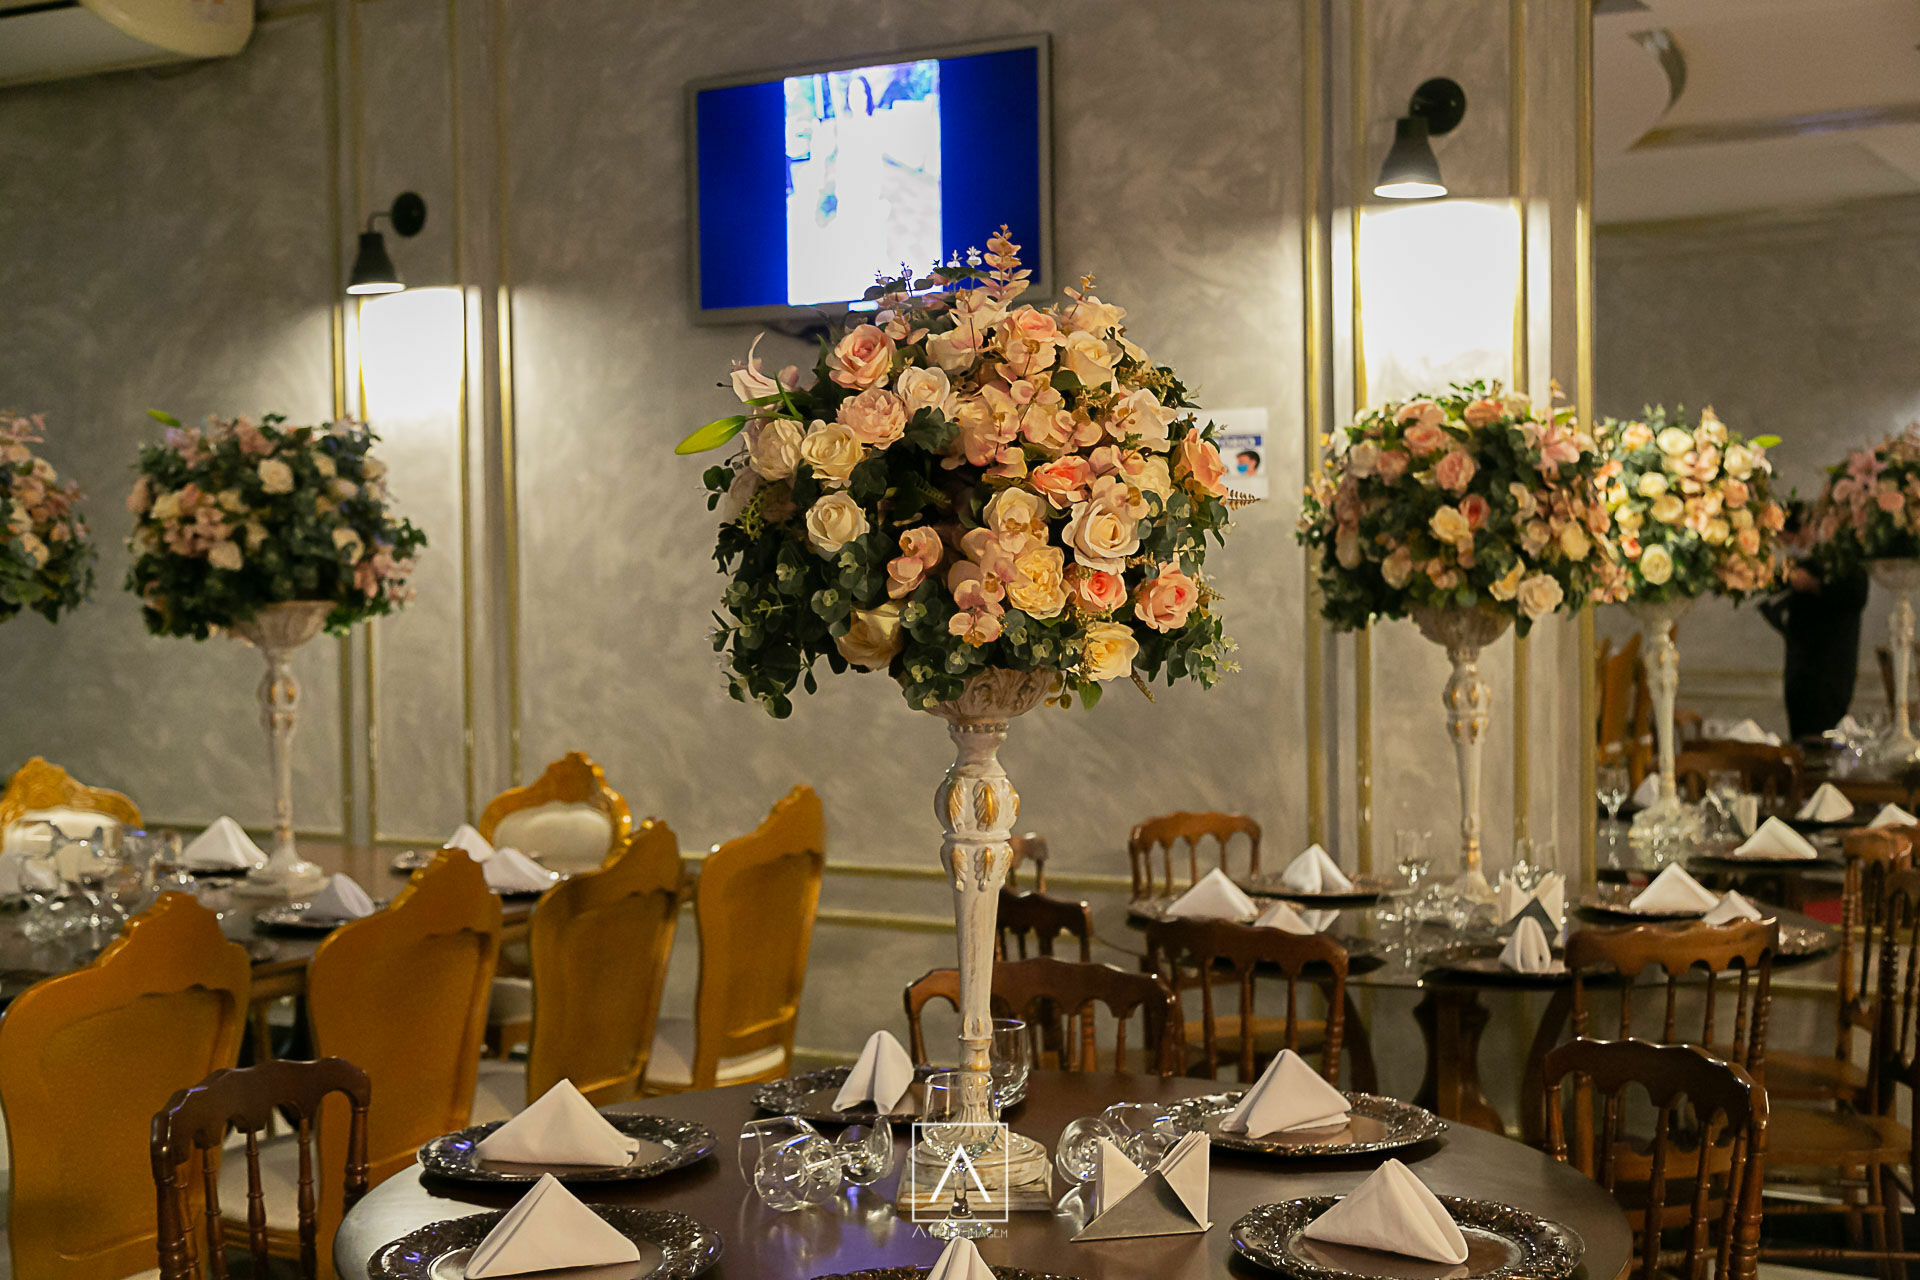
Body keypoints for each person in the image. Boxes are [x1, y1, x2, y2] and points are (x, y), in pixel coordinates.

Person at [1759, 517, 1869, 740]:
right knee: (1801, 731)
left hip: (1829, 664)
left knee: (1823, 730)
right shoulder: (1804, 560)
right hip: (1799, 663)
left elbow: (1855, 595)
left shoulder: (1845, 561)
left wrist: (1814, 585)